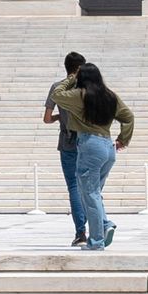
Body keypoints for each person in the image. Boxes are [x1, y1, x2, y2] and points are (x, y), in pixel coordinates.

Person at [62, 60, 133, 250]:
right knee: (92, 193)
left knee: (89, 192)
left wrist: (70, 78)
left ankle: (96, 240)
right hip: (108, 146)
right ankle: (104, 224)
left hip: (90, 145)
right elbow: (128, 117)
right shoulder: (110, 95)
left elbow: (56, 94)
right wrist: (123, 139)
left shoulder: (79, 95)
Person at [45, 50, 92, 244]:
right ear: (80, 67)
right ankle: (98, 225)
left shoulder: (57, 88)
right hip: (88, 141)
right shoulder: (88, 88)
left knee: (73, 186)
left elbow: (47, 118)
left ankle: (80, 232)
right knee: (90, 187)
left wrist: (60, 117)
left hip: (67, 141)